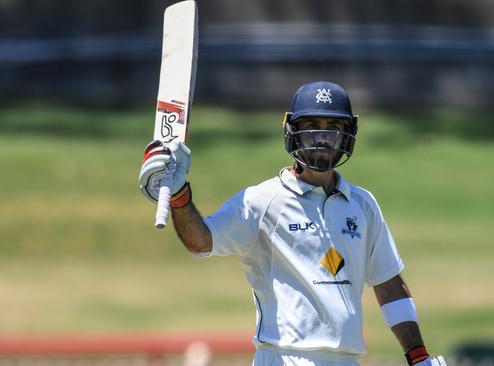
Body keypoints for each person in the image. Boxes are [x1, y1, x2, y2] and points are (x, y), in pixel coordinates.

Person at [139, 81, 446, 366]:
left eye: (333, 127)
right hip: (284, 357)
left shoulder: (363, 205)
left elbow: (389, 283)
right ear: (293, 132)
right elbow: (201, 241)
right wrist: (179, 196)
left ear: (347, 135)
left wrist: (418, 355)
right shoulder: (263, 200)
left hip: (347, 359)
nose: (323, 137)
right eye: (312, 127)